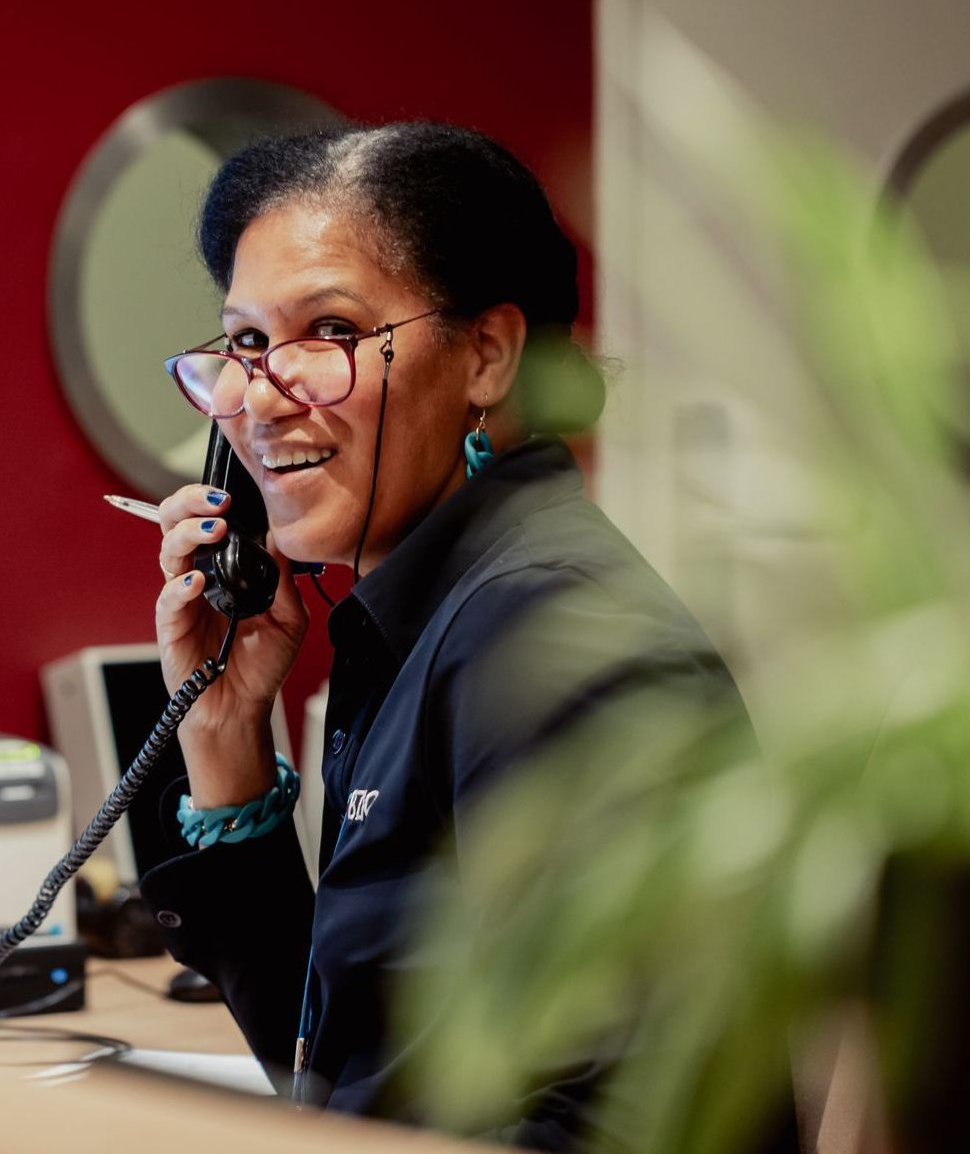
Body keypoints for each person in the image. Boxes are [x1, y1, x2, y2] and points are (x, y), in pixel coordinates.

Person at [139, 123, 751, 1150]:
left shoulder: (553, 640)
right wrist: (225, 733)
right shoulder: (431, 612)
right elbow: (337, 1068)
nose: (258, 400)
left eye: (328, 329)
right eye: (243, 344)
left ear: (486, 355)